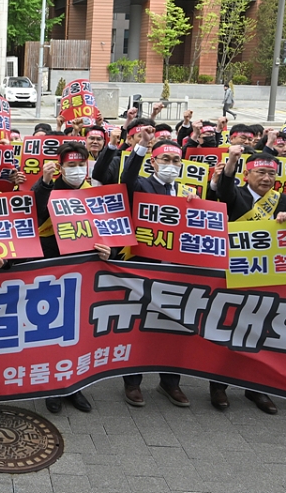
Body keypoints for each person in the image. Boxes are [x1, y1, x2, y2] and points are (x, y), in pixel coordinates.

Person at [211, 146, 286, 416]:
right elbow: (223, 189)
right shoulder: (234, 194)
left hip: (267, 275)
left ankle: (257, 387)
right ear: (246, 175)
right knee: (228, 329)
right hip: (233, 273)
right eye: (261, 172)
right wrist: (232, 161)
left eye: (272, 173)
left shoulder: (284, 201)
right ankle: (219, 386)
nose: (267, 178)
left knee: (262, 332)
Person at [119, 130, 192, 408]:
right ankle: (133, 383)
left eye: (176, 160)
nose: (171, 164)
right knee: (138, 327)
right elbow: (126, 179)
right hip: (144, 271)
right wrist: (139, 148)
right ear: (154, 162)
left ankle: (170, 383)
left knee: (173, 329)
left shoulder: (188, 193)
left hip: (178, 274)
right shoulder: (141, 185)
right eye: (166, 159)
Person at [30, 140, 96, 415]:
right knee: (51, 330)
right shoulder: (48, 187)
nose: (77, 170)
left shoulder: (94, 192)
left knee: (78, 332)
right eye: (71, 165)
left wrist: (109, 250)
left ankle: (74, 385)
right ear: (61, 166)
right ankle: (51, 387)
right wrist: (44, 183)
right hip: (53, 267)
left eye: (81, 165)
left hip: (84, 270)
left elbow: (111, 229)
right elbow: (33, 214)